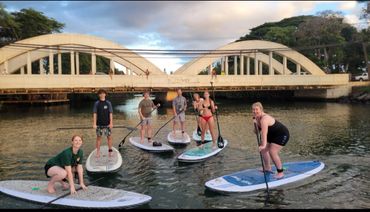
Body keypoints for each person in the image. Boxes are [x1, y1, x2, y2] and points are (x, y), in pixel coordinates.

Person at [252, 102, 290, 179]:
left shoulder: (264, 119)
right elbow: (256, 132)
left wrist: (263, 145)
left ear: (261, 109)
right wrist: (255, 124)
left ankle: (280, 172)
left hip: (281, 134)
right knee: (263, 150)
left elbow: (264, 133)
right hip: (272, 135)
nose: (255, 111)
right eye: (253, 110)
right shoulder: (256, 118)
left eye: (257, 109)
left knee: (272, 151)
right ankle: (267, 168)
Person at [93, 89, 113, 158]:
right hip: (99, 124)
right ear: (99, 95)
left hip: (107, 124)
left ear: (105, 94)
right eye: (100, 94)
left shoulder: (108, 103)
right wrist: (94, 124)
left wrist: (111, 123)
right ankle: (98, 152)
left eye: (103, 93)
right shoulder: (97, 103)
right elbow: (95, 114)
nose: (102, 95)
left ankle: (110, 151)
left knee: (109, 138)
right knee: (99, 138)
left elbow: (110, 113)